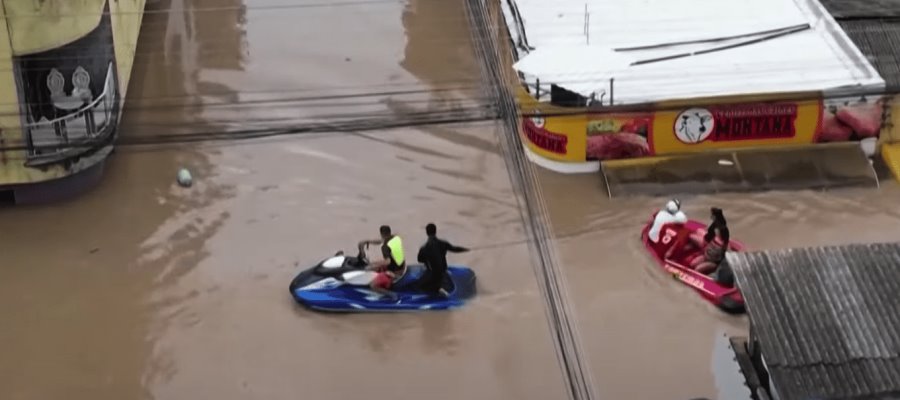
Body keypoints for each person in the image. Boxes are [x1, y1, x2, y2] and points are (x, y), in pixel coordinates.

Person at [417, 223, 470, 297]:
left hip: (433, 273)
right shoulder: (443, 243)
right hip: (443, 269)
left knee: (419, 285)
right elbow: (454, 249)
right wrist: (465, 249)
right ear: (435, 231)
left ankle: (437, 290)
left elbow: (419, 260)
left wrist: (427, 259)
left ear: (426, 232)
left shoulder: (424, 248)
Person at [359, 225, 406, 300]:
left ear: (381, 234)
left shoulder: (385, 247)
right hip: (401, 266)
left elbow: (387, 262)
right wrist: (368, 241)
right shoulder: (395, 238)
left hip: (394, 272)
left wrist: (372, 265)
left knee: (373, 285)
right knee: (375, 269)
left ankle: (393, 295)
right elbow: (381, 241)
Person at [688, 207, 730, 275]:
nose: (715, 231)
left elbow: (721, 254)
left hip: (713, 262)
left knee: (697, 269)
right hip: (705, 256)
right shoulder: (715, 238)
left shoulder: (722, 245)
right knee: (692, 264)